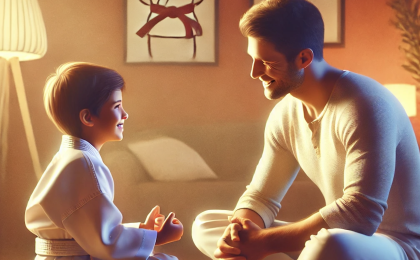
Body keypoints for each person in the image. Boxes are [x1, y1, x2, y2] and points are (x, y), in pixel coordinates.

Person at [192, 0, 420, 259]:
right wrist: (238, 233)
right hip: (338, 239)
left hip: (393, 245)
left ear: (304, 57)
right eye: (253, 59)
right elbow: (262, 197)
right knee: (207, 224)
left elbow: (361, 215)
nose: (254, 72)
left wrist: (265, 242)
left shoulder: (366, 104)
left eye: (266, 62)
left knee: (331, 244)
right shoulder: (284, 113)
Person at [25, 62, 183, 260]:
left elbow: (92, 230)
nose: (125, 114)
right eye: (117, 106)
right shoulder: (83, 164)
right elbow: (106, 243)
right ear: (87, 117)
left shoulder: (71, 158)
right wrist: (157, 237)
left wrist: (142, 229)